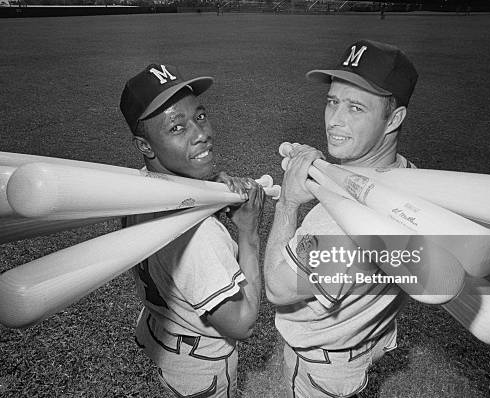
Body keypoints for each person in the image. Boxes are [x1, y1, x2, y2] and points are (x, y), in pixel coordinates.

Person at [264, 39, 419, 397]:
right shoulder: (409, 174)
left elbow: (277, 288)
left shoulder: (337, 223)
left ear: (394, 119)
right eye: (333, 101)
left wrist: (287, 203)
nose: (335, 120)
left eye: (355, 107)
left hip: (323, 367)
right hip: (366, 333)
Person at [119, 63, 265, 397]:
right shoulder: (200, 237)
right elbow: (243, 323)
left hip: (164, 335)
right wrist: (249, 234)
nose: (201, 133)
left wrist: (209, 187)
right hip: (199, 370)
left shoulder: (132, 186)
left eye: (199, 116)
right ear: (145, 145)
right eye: (176, 127)